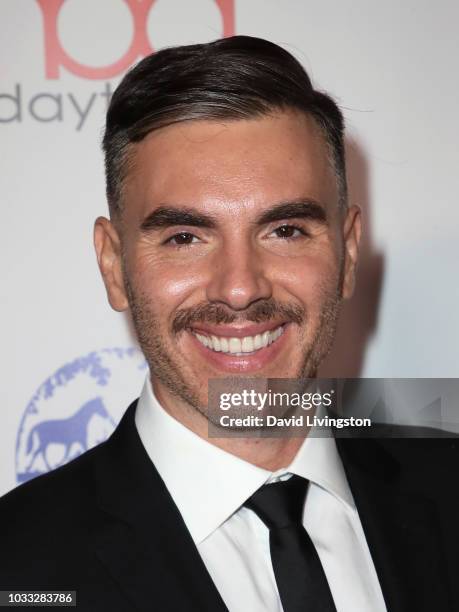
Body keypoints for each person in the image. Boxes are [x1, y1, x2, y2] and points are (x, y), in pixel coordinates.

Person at [0, 36, 458, 612]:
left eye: (285, 231)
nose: (240, 288)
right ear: (114, 267)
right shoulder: (18, 565)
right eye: (185, 238)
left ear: (346, 251)